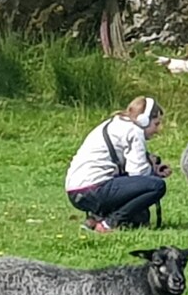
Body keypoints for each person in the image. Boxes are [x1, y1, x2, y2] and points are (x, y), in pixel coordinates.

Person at [65, 96, 172, 233]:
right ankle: (109, 223)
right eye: (156, 124)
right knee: (157, 186)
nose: (158, 129)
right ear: (144, 121)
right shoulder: (135, 131)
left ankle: (95, 219)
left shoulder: (116, 124)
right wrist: (155, 173)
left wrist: (152, 165)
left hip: (77, 191)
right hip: (93, 189)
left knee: (141, 217)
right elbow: (138, 173)